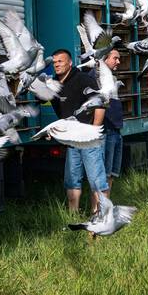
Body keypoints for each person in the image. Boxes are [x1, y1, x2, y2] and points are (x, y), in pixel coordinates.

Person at [50, 48, 107, 216]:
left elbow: (100, 103)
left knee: (96, 180)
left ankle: (98, 217)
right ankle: (73, 216)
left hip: (88, 138)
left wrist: (94, 130)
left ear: (69, 63)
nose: (56, 65)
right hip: (72, 139)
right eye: (54, 62)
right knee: (72, 180)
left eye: (60, 61)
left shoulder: (83, 79)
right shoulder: (54, 84)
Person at [101, 48, 125, 192]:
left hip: (116, 130)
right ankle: (100, 209)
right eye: (115, 58)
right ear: (104, 60)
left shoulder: (113, 78)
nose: (118, 61)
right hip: (107, 130)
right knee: (104, 173)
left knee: (111, 174)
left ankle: (107, 207)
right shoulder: (98, 78)